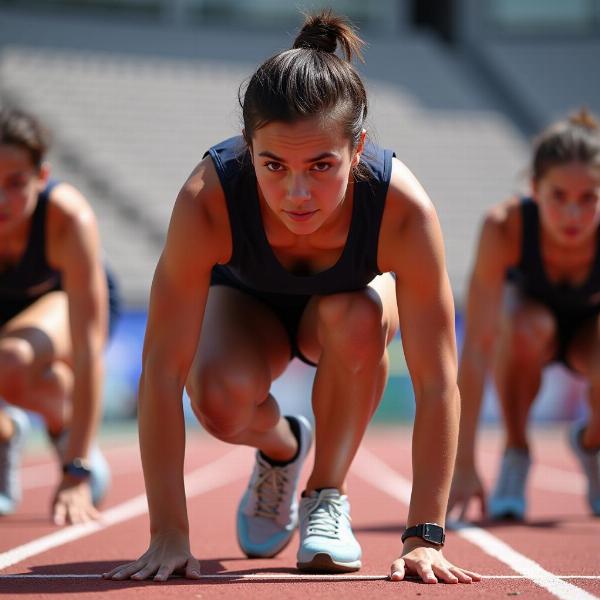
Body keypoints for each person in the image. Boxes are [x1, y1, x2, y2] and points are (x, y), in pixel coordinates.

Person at [103, 11, 479, 583]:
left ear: (357, 152)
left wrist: (424, 535)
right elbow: (160, 371)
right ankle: (281, 448)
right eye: (273, 165)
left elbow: (437, 380)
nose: (296, 193)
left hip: (348, 309)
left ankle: (326, 494)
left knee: (355, 315)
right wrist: (169, 533)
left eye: (321, 166)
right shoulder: (207, 201)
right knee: (218, 396)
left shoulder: (403, 211)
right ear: (247, 148)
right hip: (247, 307)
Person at [448, 109, 600, 522]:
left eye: (588, 199)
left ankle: (591, 443)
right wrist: (460, 465)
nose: (573, 215)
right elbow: (477, 349)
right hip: (527, 330)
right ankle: (516, 451)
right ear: (535, 188)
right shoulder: (504, 227)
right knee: (526, 325)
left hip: (591, 332)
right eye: (559, 197)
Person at [0, 106, 120, 524]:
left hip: (64, 304)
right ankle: (8, 430)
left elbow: (89, 352)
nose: (1, 200)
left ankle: (68, 431)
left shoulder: (68, 218)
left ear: (42, 177)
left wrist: (77, 467)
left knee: (11, 359)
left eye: (15, 184)